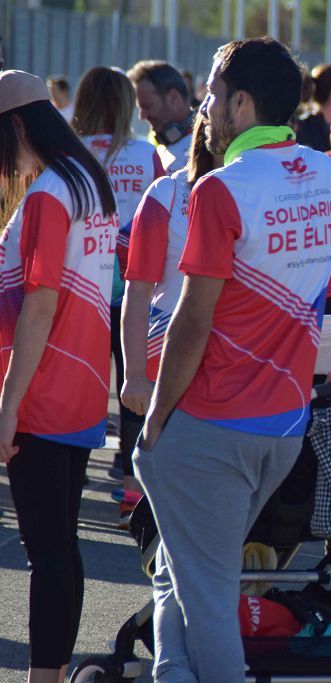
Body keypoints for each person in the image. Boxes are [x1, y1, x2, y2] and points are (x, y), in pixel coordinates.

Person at [132, 38, 331, 682]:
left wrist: (157, 413)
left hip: (214, 422)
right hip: (283, 426)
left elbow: (192, 319)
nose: (205, 109)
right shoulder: (327, 173)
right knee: (184, 567)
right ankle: (171, 672)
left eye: (213, 96)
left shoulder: (221, 188)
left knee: (208, 591)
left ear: (241, 104)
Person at [0, 69, 118, 683]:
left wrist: (8, 404)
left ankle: (43, 674)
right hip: (81, 385)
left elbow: (39, 304)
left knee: (46, 552)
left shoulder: (48, 193)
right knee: (61, 549)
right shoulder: (88, 180)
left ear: (17, 125)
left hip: (43, 389)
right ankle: (56, 669)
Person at [73, 66, 166, 525]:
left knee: (81, 378)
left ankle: (69, 471)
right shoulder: (146, 154)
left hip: (81, 281)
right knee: (134, 379)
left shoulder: (70, 153)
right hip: (134, 282)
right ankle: (133, 489)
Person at [120, 114, 221, 501]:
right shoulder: (167, 194)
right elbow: (138, 291)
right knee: (169, 488)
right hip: (166, 359)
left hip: (229, 363)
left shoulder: (257, 195)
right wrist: (132, 374)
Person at [127, 60, 194, 173]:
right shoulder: (164, 147)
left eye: (147, 107)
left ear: (173, 98)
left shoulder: (204, 151)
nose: (141, 116)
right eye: (140, 108)